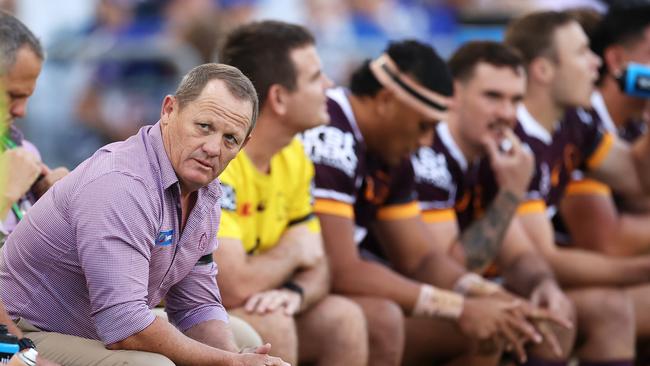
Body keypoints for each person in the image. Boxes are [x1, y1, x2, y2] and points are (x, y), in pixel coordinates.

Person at [0, 63, 289, 366]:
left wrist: (233, 357)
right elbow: (124, 325)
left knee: (244, 339)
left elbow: (196, 305)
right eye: (204, 126)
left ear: (243, 145)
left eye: (230, 138)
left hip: (95, 329)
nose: (213, 148)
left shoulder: (206, 191)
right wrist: (229, 363)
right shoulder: (122, 185)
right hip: (21, 333)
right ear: (169, 110)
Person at [302, 39, 565, 366]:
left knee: (489, 326)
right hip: (274, 290)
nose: (426, 142)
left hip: (327, 288)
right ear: (386, 100)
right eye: (424, 126)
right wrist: (460, 307)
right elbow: (342, 270)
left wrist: (488, 295)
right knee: (384, 321)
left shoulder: (390, 145)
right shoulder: (332, 135)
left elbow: (421, 259)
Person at [412, 40, 576, 365]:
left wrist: (545, 285)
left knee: (556, 316)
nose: (506, 113)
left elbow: (519, 254)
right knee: (488, 328)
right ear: (454, 94)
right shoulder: (430, 154)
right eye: (493, 97)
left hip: (459, 295)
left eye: (516, 100)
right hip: (410, 298)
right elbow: (450, 270)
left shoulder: (494, 155)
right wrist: (511, 194)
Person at [501, 10, 650, 365]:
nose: (596, 63)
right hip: (483, 281)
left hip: (518, 281)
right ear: (543, 71)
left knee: (605, 310)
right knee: (589, 311)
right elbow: (544, 258)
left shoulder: (573, 121)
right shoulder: (512, 137)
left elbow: (638, 177)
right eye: (583, 53)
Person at [215, 20, 368, 365]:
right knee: (273, 325)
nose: (329, 86)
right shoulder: (220, 155)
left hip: (253, 300)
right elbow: (232, 286)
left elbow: (320, 266)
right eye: (316, 78)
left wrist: (295, 293)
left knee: (344, 319)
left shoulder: (293, 153)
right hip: (169, 312)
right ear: (279, 98)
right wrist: (292, 251)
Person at [558, 3, 650, 256]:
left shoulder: (635, 125)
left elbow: (643, 196)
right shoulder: (580, 120)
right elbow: (608, 242)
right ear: (616, 60)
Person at [0, 10, 68, 241]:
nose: (21, 111)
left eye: (27, 97)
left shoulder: (23, 154)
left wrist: (56, 209)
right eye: (13, 95)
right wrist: (5, 194)